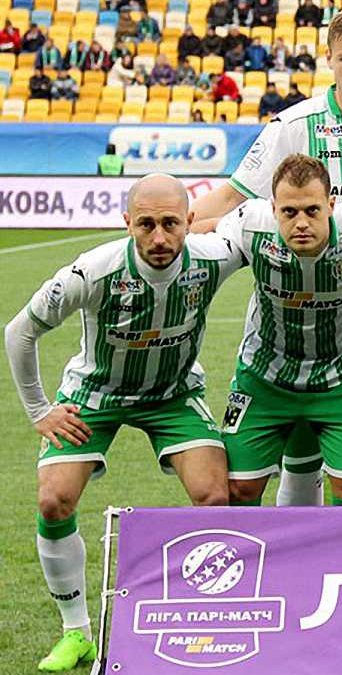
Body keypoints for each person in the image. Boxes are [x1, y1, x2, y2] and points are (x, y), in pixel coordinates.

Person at [190, 8, 342, 506]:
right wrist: (171, 223)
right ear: (328, 58)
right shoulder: (293, 125)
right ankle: (304, 551)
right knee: (301, 453)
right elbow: (233, 197)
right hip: (308, 320)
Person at [4, 174, 238, 672]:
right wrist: (40, 411)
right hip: (96, 394)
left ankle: (209, 618)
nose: (159, 237)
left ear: (189, 221)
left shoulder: (214, 258)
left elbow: (260, 230)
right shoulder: (93, 271)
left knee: (216, 495)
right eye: (147, 224)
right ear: (127, 222)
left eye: (171, 224)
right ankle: (77, 633)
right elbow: (20, 331)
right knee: (53, 499)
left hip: (173, 394)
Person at [217, 155, 342, 507]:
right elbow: (204, 251)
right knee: (237, 491)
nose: (301, 223)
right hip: (264, 378)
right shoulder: (248, 223)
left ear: (331, 205)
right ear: (273, 209)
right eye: (289, 212)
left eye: (312, 210)